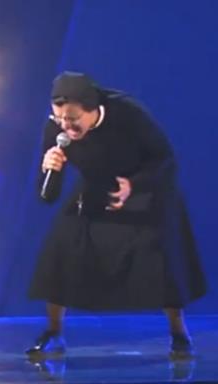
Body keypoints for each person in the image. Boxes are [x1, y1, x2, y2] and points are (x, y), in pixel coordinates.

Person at [27, 71, 206, 360]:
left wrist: (134, 185)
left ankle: (179, 332)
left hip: (146, 187)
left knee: (162, 255)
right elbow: (47, 197)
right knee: (61, 246)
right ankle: (54, 332)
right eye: (60, 119)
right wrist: (52, 170)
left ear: (92, 109)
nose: (66, 126)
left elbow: (165, 159)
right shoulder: (57, 132)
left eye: (73, 119)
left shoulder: (128, 113)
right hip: (97, 188)